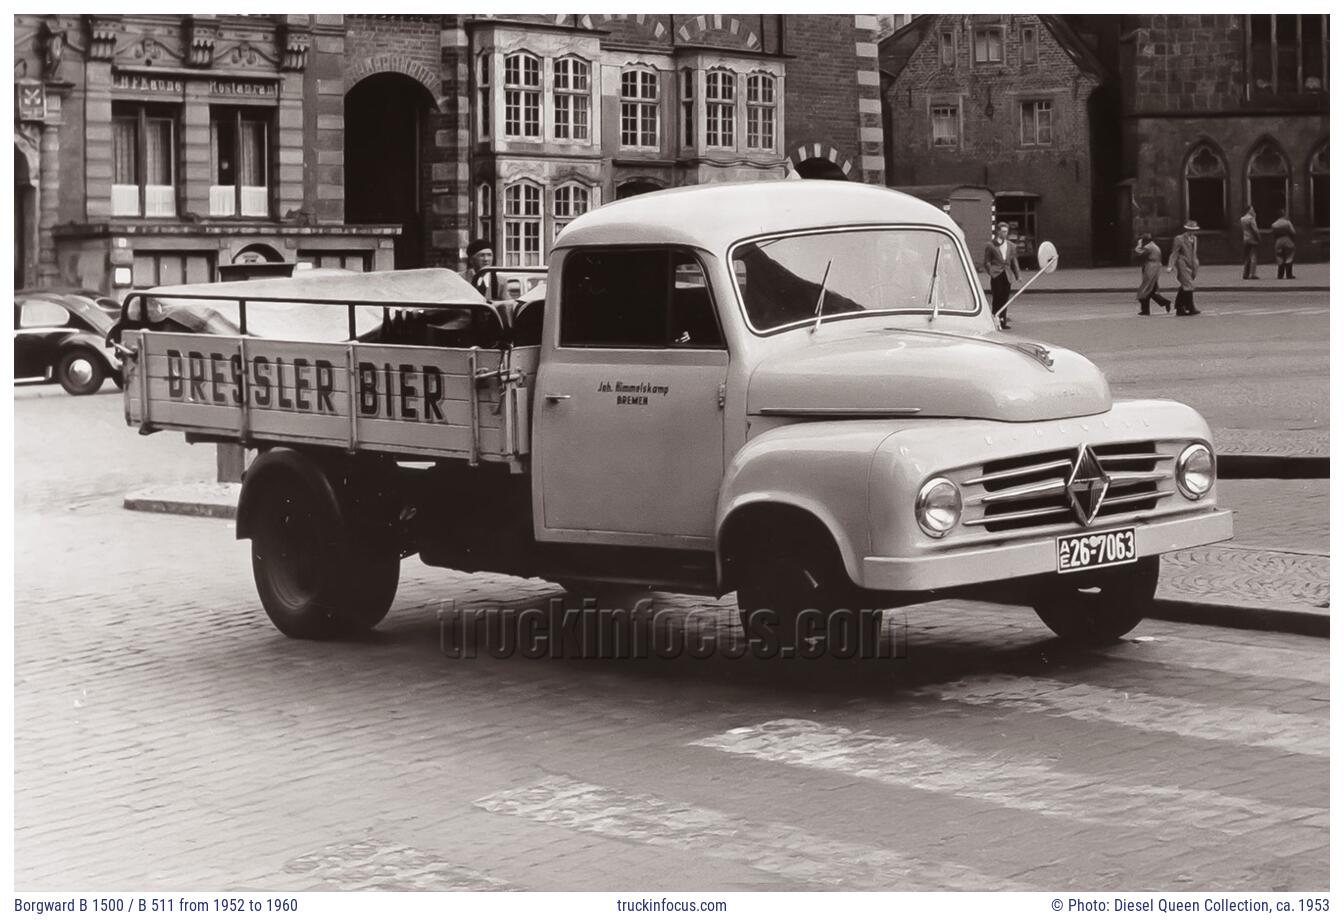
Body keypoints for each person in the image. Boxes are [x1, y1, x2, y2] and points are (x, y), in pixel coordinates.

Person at [983, 222, 1020, 330]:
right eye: (1003, 231)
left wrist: (1018, 275)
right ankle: (995, 319)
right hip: (996, 273)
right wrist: (991, 271)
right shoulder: (991, 245)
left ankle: (1003, 321)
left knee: (1005, 297)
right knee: (997, 297)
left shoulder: (1011, 246)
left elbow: (1014, 261)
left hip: (1007, 274)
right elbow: (987, 261)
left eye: (1006, 231)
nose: (1005, 233)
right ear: (998, 231)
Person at [1167, 220, 1201, 316]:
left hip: (1192, 264)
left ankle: (1179, 307)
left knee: (1185, 286)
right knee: (1188, 285)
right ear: (1186, 229)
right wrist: (1170, 265)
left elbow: (1193, 253)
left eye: (1194, 230)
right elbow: (1174, 252)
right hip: (1182, 264)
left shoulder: (1195, 238)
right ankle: (1190, 307)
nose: (1192, 232)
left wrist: (1196, 264)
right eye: (1190, 229)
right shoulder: (1179, 238)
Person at [1134, 233, 1171, 315]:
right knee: (1151, 290)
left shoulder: (1148, 247)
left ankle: (1148, 309)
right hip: (1154, 267)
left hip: (1151, 268)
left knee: (1146, 289)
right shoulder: (1153, 246)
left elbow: (1139, 252)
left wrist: (1138, 244)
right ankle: (1148, 309)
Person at [1270, 209, 1297, 279]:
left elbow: (1273, 234)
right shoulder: (1287, 223)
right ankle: (1289, 274)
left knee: (1279, 256)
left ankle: (1280, 275)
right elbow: (1293, 232)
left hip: (1278, 241)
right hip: (1287, 240)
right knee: (1289, 256)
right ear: (1284, 215)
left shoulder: (1274, 224)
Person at [1239, 204, 1261, 279]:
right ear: (1249, 210)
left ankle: (1245, 274)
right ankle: (1252, 274)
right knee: (1253, 257)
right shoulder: (1251, 219)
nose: (1253, 210)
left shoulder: (1242, 219)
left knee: (1246, 257)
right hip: (1252, 239)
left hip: (1245, 239)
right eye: (1252, 209)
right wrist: (1259, 238)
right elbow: (1255, 230)